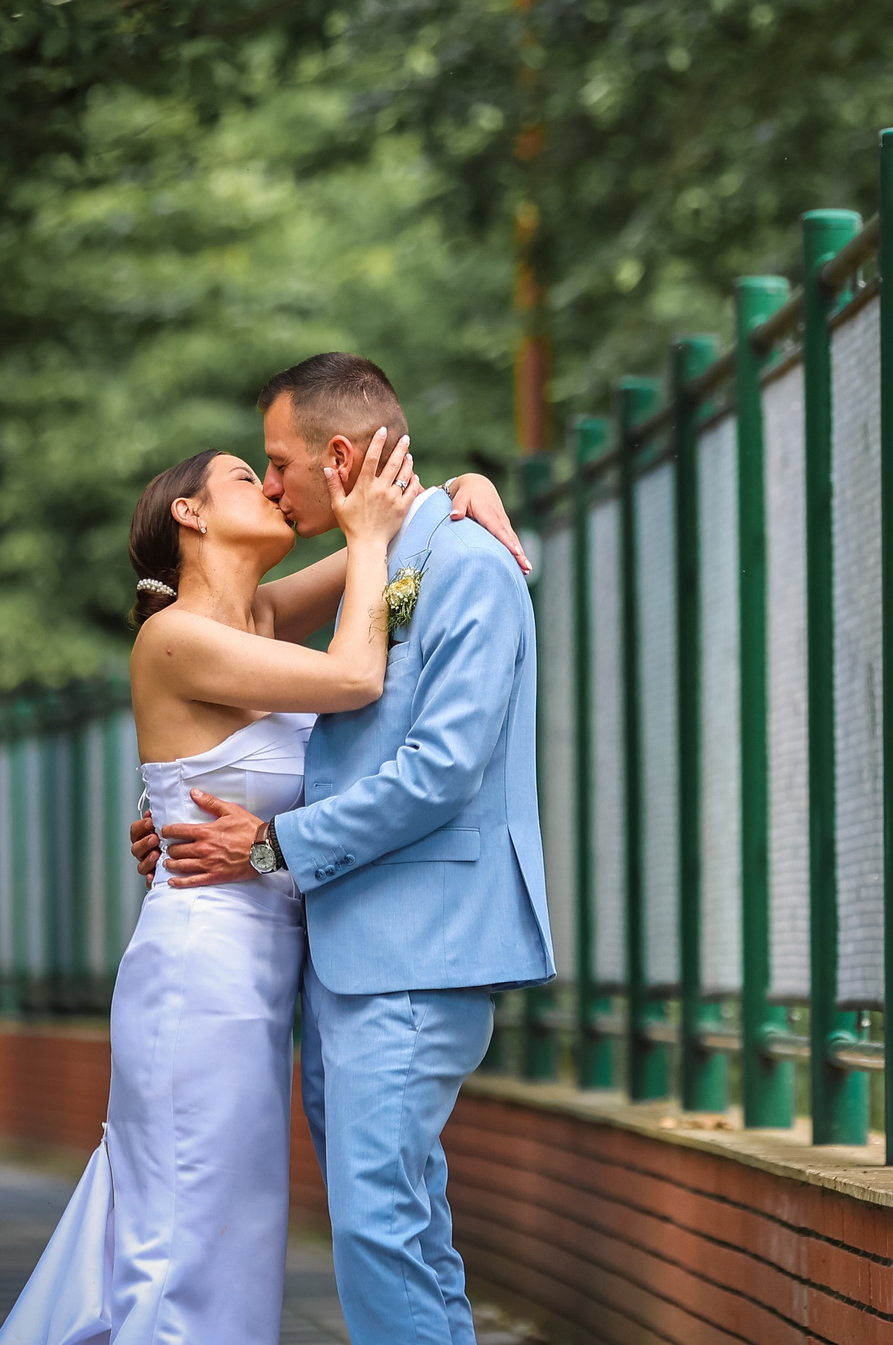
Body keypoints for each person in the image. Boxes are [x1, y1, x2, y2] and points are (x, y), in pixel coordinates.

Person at [121, 353, 554, 1345]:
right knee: (389, 1224)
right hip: (343, 953)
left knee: (379, 1226)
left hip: (414, 946)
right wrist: (183, 807)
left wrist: (267, 844)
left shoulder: (467, 567)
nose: (272, 485)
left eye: (276, 463)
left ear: (342, 455)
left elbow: (440, 771)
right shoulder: (385, 563)